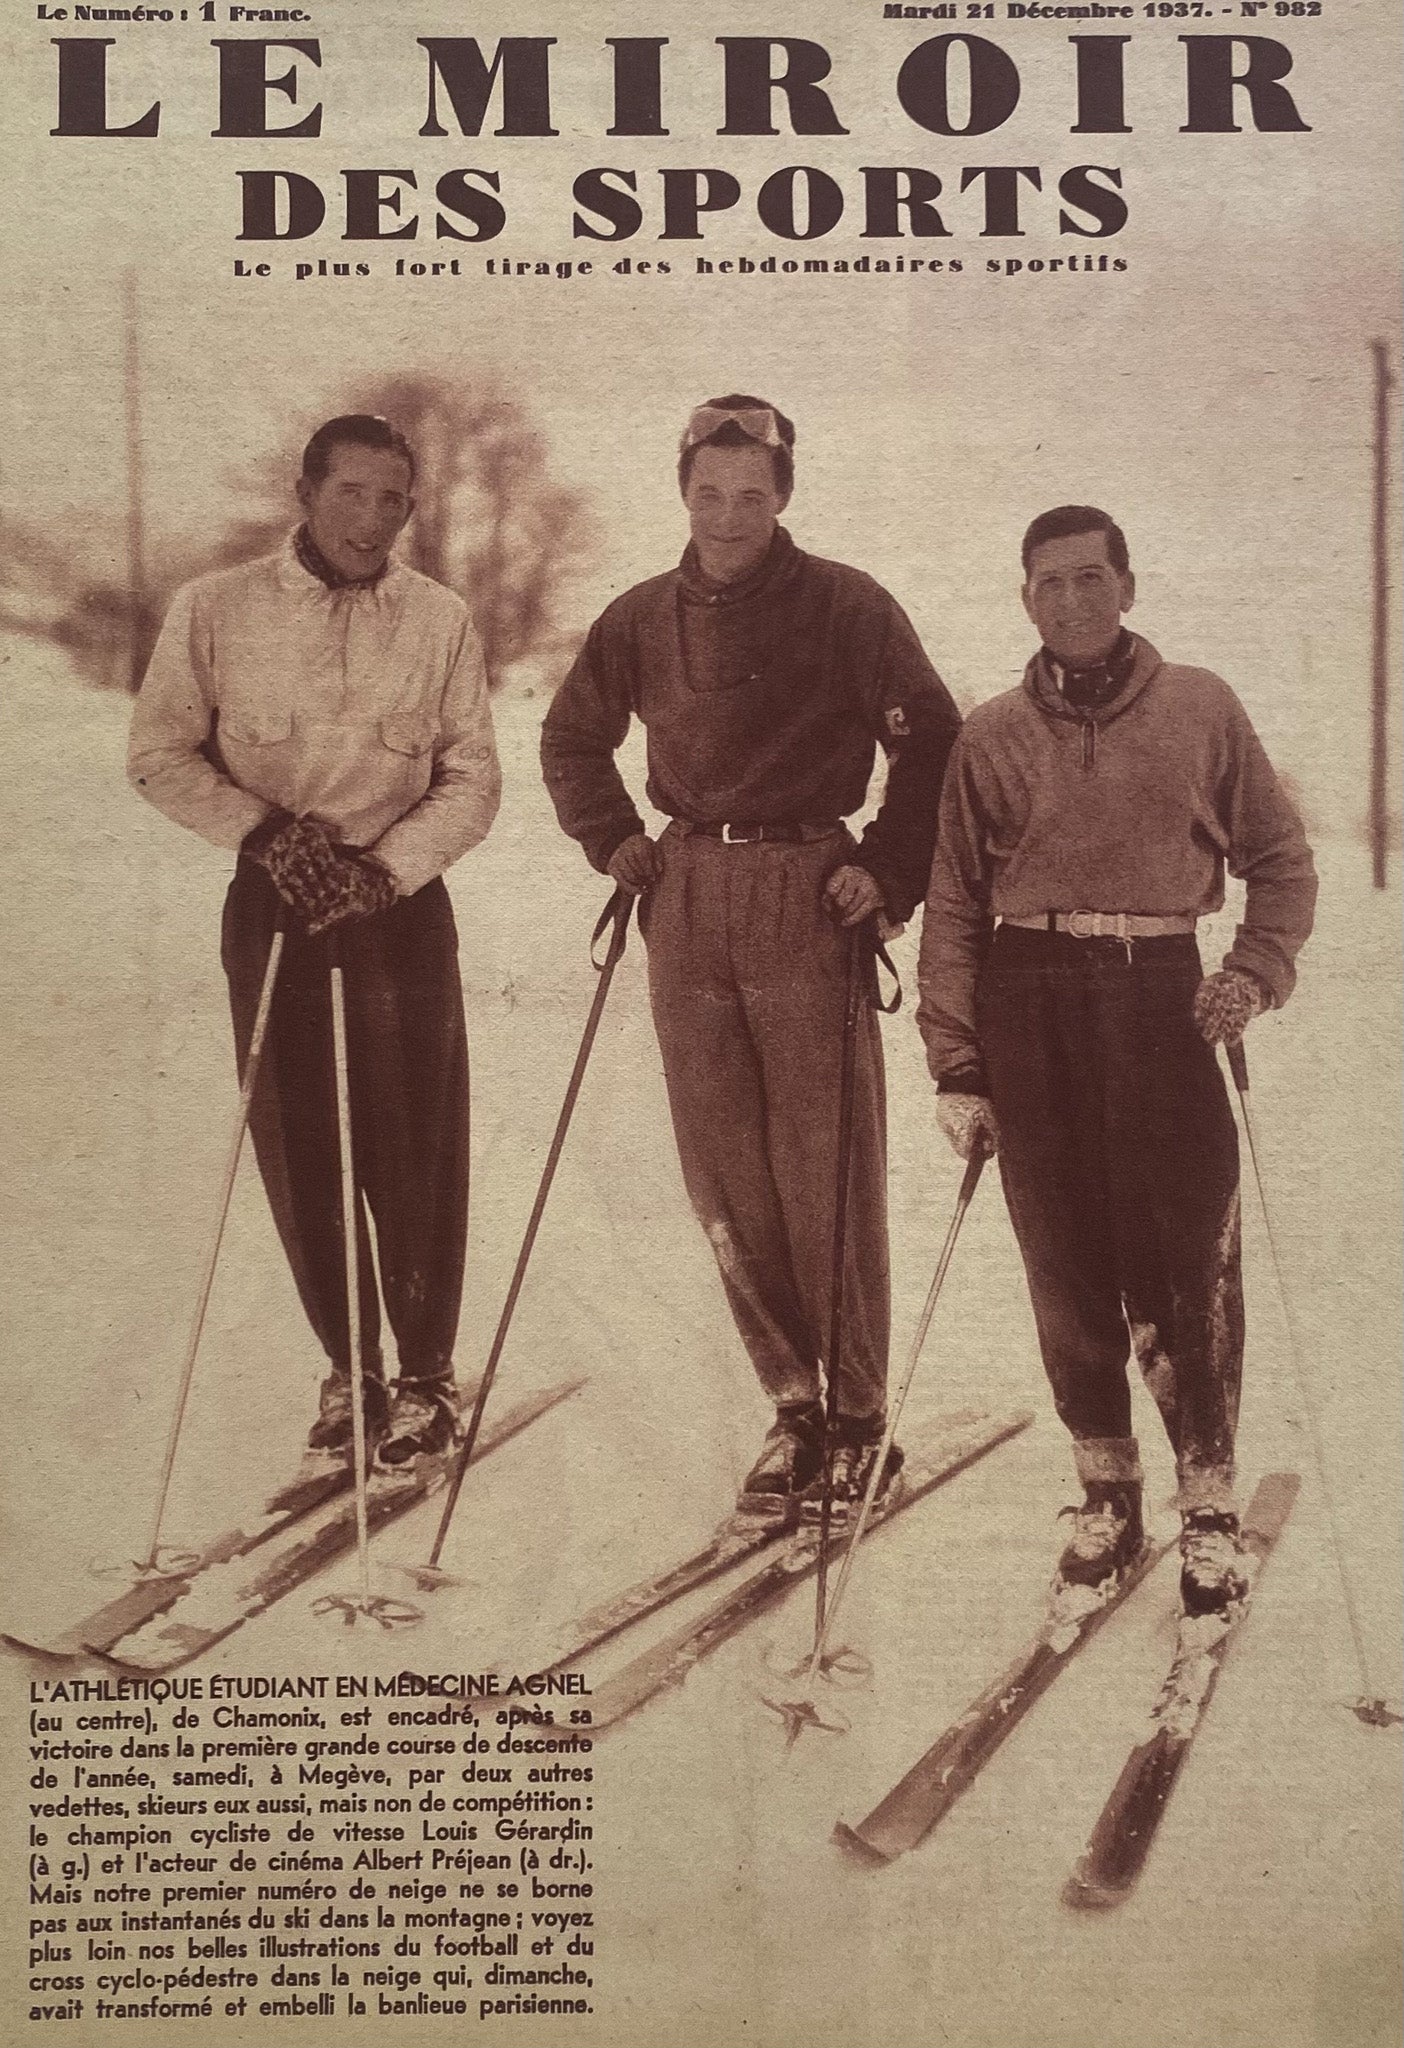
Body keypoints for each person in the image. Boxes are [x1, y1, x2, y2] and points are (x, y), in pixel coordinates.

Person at [540, 394, 961, 1523]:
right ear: (684, 487)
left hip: (806, 887)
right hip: (685, 892)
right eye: (710, 491)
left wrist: (886, 866)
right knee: (723, 1166)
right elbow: (573, 736)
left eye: (753, 494)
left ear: (784, 496)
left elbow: (931, 739)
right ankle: (794, 1405)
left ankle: (863, 1417)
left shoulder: (846, 605)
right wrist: (616, 837)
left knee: (821, 1164)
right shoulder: (640, 617)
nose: (729, 515)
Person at [916, 503, 1317, 1615]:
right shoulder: (990, 732)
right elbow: (951, 903)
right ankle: (1105, 1487)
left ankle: (1208, 1499)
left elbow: (1281, 862)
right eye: (1050, 582)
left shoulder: (1200, 708)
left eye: (1092, 578)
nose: (1073, 600)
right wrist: (956, 1061)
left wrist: (1253, 971)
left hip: (1158, 990)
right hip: (1028, 992)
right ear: (1026, 598)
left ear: (1129, 587)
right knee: (1064, 1250)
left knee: (1185, 1249)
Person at [128, 414, 501, 1466]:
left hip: (396, 908)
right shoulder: (217, 608)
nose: (373, 518)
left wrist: (387, 868)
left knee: (412, 1139)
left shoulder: (438, 618)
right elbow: (157, 751)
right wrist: (262, 832)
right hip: (276, 899)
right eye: (353, 492)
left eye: (394, 499)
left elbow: (472, 778)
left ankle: (427, 1373)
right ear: (307, 491)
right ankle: (354, 1369)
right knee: (303, 1139)